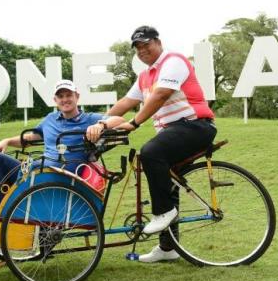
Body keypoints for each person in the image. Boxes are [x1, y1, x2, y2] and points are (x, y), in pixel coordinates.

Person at [90, 26, 217, 263]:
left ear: (158, 42)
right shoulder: (145, 76)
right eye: (137, 47)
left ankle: (163, 212)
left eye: (146, 44)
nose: (142, 50)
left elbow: (160, 95)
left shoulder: (173, 61)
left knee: (150, 152)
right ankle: (168, 248)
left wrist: (134, 123)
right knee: (166, 180)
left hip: (195, 125)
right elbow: (127, 101)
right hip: (175, 131)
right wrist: (100, 124)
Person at [0, 79, 125, 237]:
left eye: (69, 95)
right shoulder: (50, 119)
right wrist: (7, 141)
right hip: (39, 169)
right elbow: (31, 137)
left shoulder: (89, 119)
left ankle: (1, 221)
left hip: (60, 173)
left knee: (30, 168)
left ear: (77, 97)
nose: (65, 99)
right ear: (55, 100)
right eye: (60, 96)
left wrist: (100, 125)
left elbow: (120, 120)